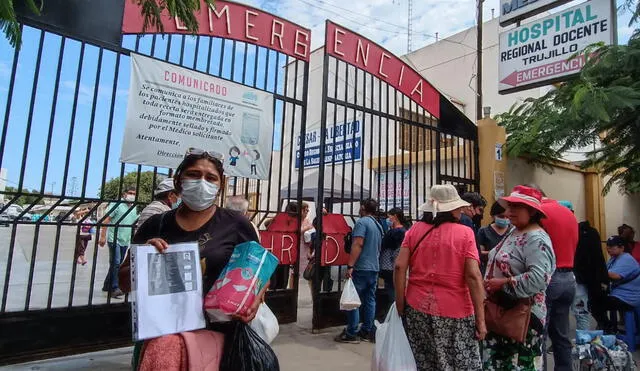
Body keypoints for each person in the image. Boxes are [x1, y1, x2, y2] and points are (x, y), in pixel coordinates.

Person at [395, 184, 485, 370]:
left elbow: (399, 266)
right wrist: (481, 320)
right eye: (458, 207)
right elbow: (473, 276)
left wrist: (400, 303)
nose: (461, 211)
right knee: (459, 363)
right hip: (456, 311)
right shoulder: (465, 233)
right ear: (452, 209)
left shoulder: (414, 230)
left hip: (417, 307)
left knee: (425, 362)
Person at [483, 185, 556, 370]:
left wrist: (503, 283)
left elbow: (539, 279)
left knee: (519, 363)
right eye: (509, 206)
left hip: (523, 317)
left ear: (531, 211)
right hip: (503, 311)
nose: (508, 212)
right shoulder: (514, 232)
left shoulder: (536, 239)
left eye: (515, 207)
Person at [526, 185, 577, 371]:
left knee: (540, 334)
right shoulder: (568, 213)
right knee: (562, 335)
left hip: (549, 278)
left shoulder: (539, 213)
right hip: (569, 278)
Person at [335, 198, 383, 344]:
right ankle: (366, 330)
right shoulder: (378, 225)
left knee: (353, 300)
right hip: (374, 267)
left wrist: (350, 265)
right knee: (370, 300)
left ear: (363, 208)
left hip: (362, 267)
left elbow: (358, 244)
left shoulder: (362, 223)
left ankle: (351, 332)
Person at [591, 236, 640, 333]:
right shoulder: (614, 259)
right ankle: (609, 327)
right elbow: (605, 272)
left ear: (622, 248)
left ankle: (608, 328)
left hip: (628, 298)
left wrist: (596, 269)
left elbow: (615, 276)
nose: (609, 249)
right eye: (608, 246)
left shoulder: (626, 259)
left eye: (612, 247)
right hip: (619, 294)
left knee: (596, 304)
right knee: (595, 299)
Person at [99, 186, 139, 298]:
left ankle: (107, 285)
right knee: (116, 263)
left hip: (125, 239)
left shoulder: (134, 207)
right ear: (124, 194)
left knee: (117, 263)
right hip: (114, 238)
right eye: (130, 192)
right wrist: (102, 236)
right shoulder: (117, 204)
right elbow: (107, 220)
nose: (132, 195)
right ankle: (114, 287)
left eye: (134, 193)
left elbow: (133, 223)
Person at [573, 220, 608, 331]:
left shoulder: (578, 233)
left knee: (580, 310)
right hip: (589, 276)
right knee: (583, 310)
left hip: (578, 276)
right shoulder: (591, 233)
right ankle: (584, 341)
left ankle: (582, 339)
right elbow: (598, 257)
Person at [378, 207, 408, 306]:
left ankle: (394, 313)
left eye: (389, 216)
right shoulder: (405, 231)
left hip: (389, 266)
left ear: (395, 216)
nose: (388, 219)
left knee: (392, 291)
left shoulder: (393, 232)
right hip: (398, 265)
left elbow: (384, 246)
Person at [476, 201, 513, 273]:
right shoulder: (484, 231)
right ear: (493, 216)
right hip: (489, 271)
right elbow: (479, 253)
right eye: (501, 216)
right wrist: (494, 253)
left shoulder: (513, 231)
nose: (505, 219)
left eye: (507, 217)